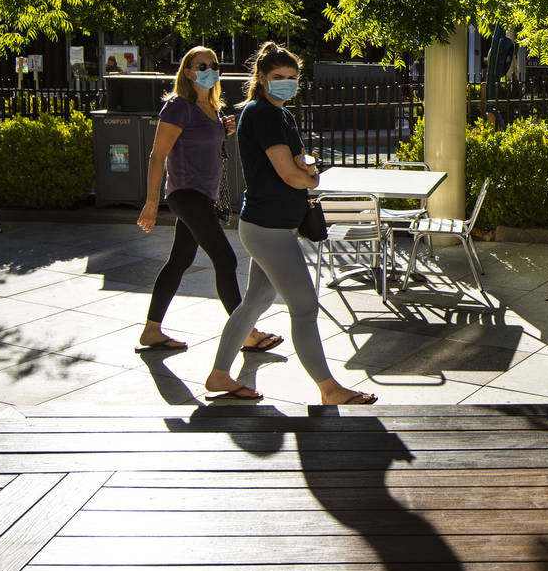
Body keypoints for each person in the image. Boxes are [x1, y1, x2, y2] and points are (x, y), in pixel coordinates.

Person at [206, 41, 377, 404]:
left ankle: (219, 376)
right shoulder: (263, 114)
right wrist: (310, 178)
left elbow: (298, 163)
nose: (286, 82)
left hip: (269, 225)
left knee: (253, 302)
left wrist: (305, 171)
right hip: (269, 229)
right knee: (304, 308)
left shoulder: (280, 114)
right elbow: (290, 173)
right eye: (278, 77)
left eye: (292, 77)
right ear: (262, 79)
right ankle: (329, 389)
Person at [135, 45, 284, 356]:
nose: (209, 70)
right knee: (226, 260)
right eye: (201, 66)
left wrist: (223, 129)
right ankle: (246, 333)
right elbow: (157, 156)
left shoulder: (213, 110)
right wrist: (151, 203)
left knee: (179, 261)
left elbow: (202, 146)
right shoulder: (178, 107)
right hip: (186, 194)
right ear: (188, 73)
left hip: (202, 195)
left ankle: (152, 330)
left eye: (213, 65)